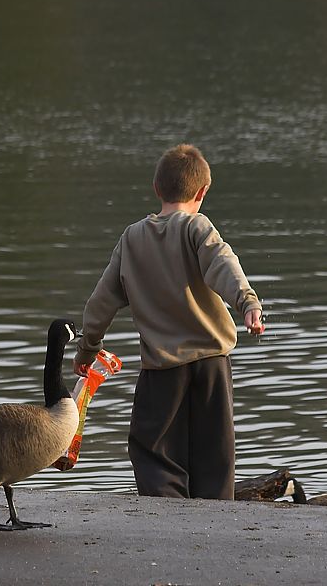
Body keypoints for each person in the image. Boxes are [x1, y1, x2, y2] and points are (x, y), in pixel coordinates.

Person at [72, 143, 265, 500]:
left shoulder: (132, 238)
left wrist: (88, 348)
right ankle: (214, 521)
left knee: (153, 452)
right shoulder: (197, 228)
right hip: (211, 365)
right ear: (202, 192)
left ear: (156, 188)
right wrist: (246, 302)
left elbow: (101, 301)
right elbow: (223, 263)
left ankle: (167, 519)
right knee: (214, 455)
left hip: (162, 370)